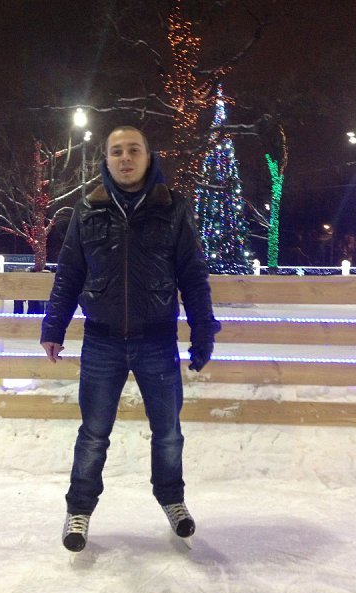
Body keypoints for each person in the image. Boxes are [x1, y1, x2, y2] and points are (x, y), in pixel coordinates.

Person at [41, 126, 220, 553]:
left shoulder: (172, 208)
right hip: (101, 342)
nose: (125, 158)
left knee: (168, 431)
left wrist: (203, 329)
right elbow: (69, 273)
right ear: (106, 159)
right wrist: (53, 327)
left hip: (156, 339)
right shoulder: (87, 209)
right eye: (117, 151)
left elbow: (192, 274)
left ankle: (172, 499)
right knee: (93, 433)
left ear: (147, 156)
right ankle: (79, 509)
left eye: (133, 150)